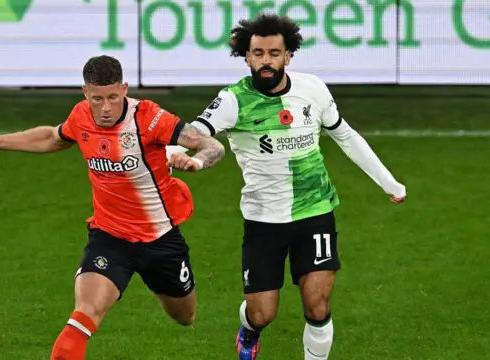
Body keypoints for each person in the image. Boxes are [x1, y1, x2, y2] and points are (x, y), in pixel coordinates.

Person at [166, 13, 406, 360]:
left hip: (316, 211)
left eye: (274, 53)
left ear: (288, 55)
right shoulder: (233, 100)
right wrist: (173, 153)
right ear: (247, 57)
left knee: (318, 308)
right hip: (264, 219)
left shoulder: (313, 89)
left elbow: (346, 136)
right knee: (263, 313)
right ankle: (249, 331)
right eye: (259, 53)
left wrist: (388, 181)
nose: (267, 61)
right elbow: (195, 133)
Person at [0, 55, 225, 360]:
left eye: (112, 97)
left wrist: (196, 161)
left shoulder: (149, 118)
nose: (106, 107)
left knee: (184, 316)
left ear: (124, 89)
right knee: (85, 313)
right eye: (97, 99)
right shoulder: (81, 116)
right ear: (86, 93)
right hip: (110, 238)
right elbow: (52, 137)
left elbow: (213, 146)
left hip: (161, 240)